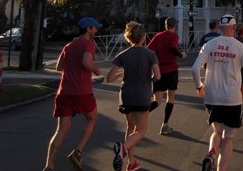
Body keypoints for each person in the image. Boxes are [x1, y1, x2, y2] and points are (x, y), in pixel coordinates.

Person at [191, 15, 243, 171]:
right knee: (228, 138)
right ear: (234, 28)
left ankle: (211, 153)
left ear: (220, 27)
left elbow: (194, 69)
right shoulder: (240, 47)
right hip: (232, 99)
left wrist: (199, 86)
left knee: (216, 131)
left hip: (212, 96)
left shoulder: (209, 44)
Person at [43, 17, 103, 171]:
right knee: (92, 119)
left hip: (64, 92)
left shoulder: (69, 45)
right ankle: (78, 151)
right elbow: (86, 63)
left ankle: (49, 165)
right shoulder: (89, 44)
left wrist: (72, 67)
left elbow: (58, 67)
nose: (96, 30)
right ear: (88, 29)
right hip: (82, 92)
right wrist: (96, 69)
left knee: (61, 130)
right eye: (94, 28)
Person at [107, 22, 161, 171]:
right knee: (141, 131)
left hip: (126, 95)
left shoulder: (122, 55)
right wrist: (149, 78)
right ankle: (122, 149)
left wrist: (123, 73)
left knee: (131, 128)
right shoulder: (150, 54)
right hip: (142, 95)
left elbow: (110, 78)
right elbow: (158, 75)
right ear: (143, 37)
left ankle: (131, 163)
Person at [146, 16, 187, 135]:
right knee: (171, 97)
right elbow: (173, 49)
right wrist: (181, 55)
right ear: (175, 26)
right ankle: (165, 125)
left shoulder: (157, 36)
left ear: (165, 25)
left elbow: (148, 50)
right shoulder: (174, 36)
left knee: (157, 101)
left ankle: (141, 114)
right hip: (171, 69)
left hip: (159, 70)